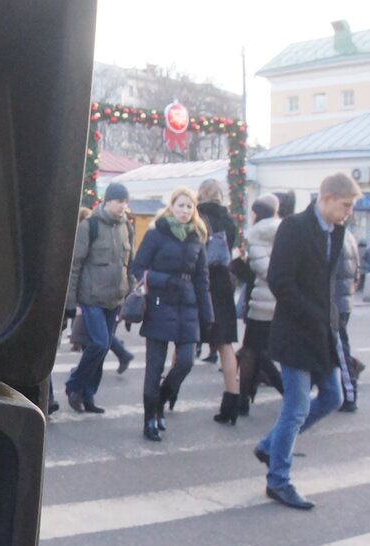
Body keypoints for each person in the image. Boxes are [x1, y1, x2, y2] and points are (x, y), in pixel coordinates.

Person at [254, 172, 362, 510]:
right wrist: (309, 314)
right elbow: (279, 279)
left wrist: (330, 320)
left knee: (332, 396)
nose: (348, 213)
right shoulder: (295, 227)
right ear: (326, 198)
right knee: (297, 407)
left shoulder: (335, 230)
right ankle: (278, 480)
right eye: (345, 205)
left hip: (323, 330)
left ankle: (271, 446)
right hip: (295, 330)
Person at [131, 186, 212, 441]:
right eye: (181, 205)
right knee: (154, 368)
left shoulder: (197, 238)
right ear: (171, 207)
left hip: (187, 306)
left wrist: (207, 316)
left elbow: (202, 279)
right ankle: (149, 420)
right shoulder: (157, 234)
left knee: (186, 362)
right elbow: (138, 267)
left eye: (190, 206)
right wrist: (163, 280)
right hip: (158, 303)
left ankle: (160, 403)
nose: (185, 211)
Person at [62, 182, 133, 414]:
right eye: (119, 201)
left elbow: (127, 264)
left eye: (125, 201)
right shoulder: (89, 226)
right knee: (100, 343)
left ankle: (88, 395)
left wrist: (127, 291)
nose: (123, 206)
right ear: (107, 200)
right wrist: (71, 302)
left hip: (114, 298)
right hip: (91, 297)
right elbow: (75, 265)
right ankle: (74, 384)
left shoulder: (126, 228)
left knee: (101, 350)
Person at [196, 179, 241, 424]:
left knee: (186, 338)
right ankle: (231, 400)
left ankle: (166, 394)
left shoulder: (198, 217)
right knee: (225, 344)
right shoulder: (229, 220)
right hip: (223, 283)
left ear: (201, 194)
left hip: (203, 282)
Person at [235, 193, 284, 415]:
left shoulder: (256, 235)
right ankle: (245, 398)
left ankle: (247, 398)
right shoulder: (285, 230)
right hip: (282, 302)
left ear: (256, 213)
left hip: (262, 303)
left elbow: (264, 270)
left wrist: (240, 264)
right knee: (257, 351)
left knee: (254, 352)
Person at [334, 228, 362, 411]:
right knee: (335, 346)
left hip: (335, 300)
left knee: (339, 348)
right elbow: (357, 271)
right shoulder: (349, 235)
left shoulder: (334, 237)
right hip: (343, 299)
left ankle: (350, 392)